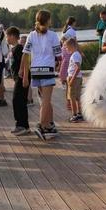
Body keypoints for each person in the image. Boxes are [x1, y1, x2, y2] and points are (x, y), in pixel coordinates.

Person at [22, 10, 62, 140]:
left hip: (35, 70)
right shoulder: (53, 35)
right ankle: (41, 125)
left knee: (44, 101)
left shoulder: (31, 35)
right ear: (48, 20)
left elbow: (25, 54)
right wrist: (60, 66)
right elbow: (58, 55)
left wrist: (24, 74)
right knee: (46, 101)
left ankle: (48, 124)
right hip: (47, 69)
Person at [7, 26, 29, 135]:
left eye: (7, 36)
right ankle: (24, 125)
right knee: (19, 101)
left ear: (12, 36)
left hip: (21, 78)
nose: (6, 38)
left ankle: (21, 125)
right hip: (17, 78)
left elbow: (25, 63)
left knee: (18, 101)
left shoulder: (19, 48)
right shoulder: (14, 48)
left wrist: (25, 77)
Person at [59, 17, 77, 111]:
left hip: (65, 55)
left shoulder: (65, 29)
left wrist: (64, 45)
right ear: (73, 22)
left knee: (67, 82)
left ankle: (68, 102)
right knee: (71, 82)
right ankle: (71, 103)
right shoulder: (72, 31)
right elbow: (75, 42)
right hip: (69, 55)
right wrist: (79, 52)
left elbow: (62, 39)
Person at [65, 36, 84, 122]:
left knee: (72, 97)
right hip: (78, 77)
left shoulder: (75, 55)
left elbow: (78, 67)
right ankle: (80, 114)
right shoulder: (77, 54)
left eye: (66, 46)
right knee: (77, 97)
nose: (66, 48)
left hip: (74, 77)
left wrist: (72, 79)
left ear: (71, 45)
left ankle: (74, 114)